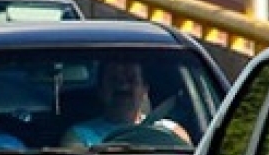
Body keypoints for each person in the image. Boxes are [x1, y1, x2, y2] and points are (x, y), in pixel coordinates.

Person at [60, 61, 191, 148]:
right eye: (114, 80)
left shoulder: (171, 131)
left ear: (145, 89)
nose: (123, 86)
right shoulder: (79, 136)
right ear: (101, 90)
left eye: (131, 79)